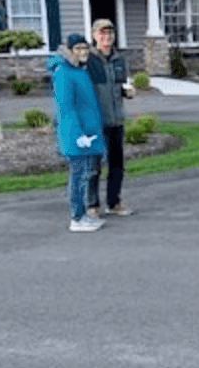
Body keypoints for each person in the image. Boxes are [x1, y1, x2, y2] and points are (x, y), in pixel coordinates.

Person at [46, 33, 107, 232]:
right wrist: (78, 135)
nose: (82, 52)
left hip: (88, 133)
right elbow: (66, 107)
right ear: (70, 50)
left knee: (85, 174)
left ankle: (83, 215)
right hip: (76, 135)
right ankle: (77, 218)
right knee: (78, 176)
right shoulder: (63, 72)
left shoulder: (79, 69)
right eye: (78, 49)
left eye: (85, 48)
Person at [85, 19, 135, 217]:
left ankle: (114, 202)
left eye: (109, 35)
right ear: (95, 36)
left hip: (116, 119)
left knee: (117, 164)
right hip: (97, 121)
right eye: (102, 34)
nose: (106, 38)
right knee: (94, 165)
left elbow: (122, 85)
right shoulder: (89, 61)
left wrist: (128, 92)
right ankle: (92, 204)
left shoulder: (119, 60)